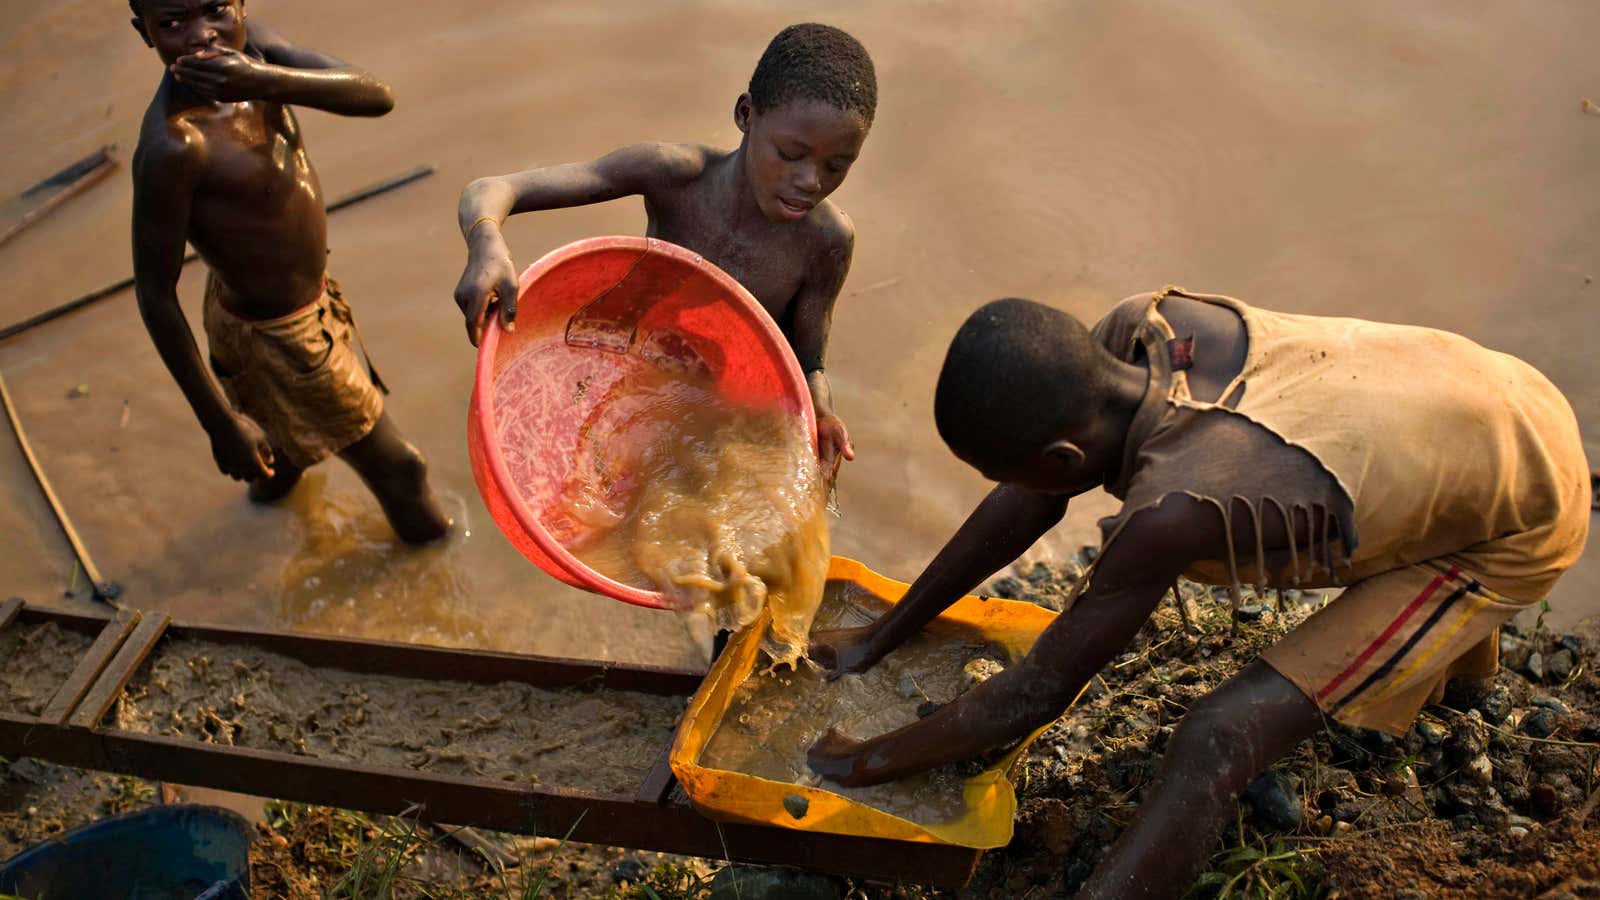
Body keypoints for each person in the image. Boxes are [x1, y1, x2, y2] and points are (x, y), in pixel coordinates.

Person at [806, 287, 1590, 898]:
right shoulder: (1140, 326)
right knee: (1412, 495)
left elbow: (1035, 694)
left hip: (1518, 521)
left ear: (1062, 453)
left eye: (1008, 470)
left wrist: (856, 763)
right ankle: (1466, 683)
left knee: (1217, 737)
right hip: (1487, 394)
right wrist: (887, 631)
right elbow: (1034, 494)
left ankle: (1463, 641)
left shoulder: (1177, 510)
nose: (1012, 489)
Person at [452, 23, 878, 479]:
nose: (811, 181)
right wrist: (486, 242)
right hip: (613, 355)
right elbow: (491, 189)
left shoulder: (826, 241)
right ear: (746, 113)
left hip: (710, 400)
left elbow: (808, 359)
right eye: (791, 154)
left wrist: (823, 414)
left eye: (837, 166)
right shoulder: (675, 177)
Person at [129, 0, 450, 543]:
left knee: (282, 449)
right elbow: (155, 295)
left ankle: (252, 529)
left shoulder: (256, 51)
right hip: (281, 337)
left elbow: (377, 96)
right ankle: (443, 590)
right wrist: (220, 425)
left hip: (296, 305)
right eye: (173, 24)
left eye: (214, 10)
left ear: (241, 5)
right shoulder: (176, 144)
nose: (202, 36)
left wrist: (267, 79)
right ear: (146, 34)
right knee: (402, 471)